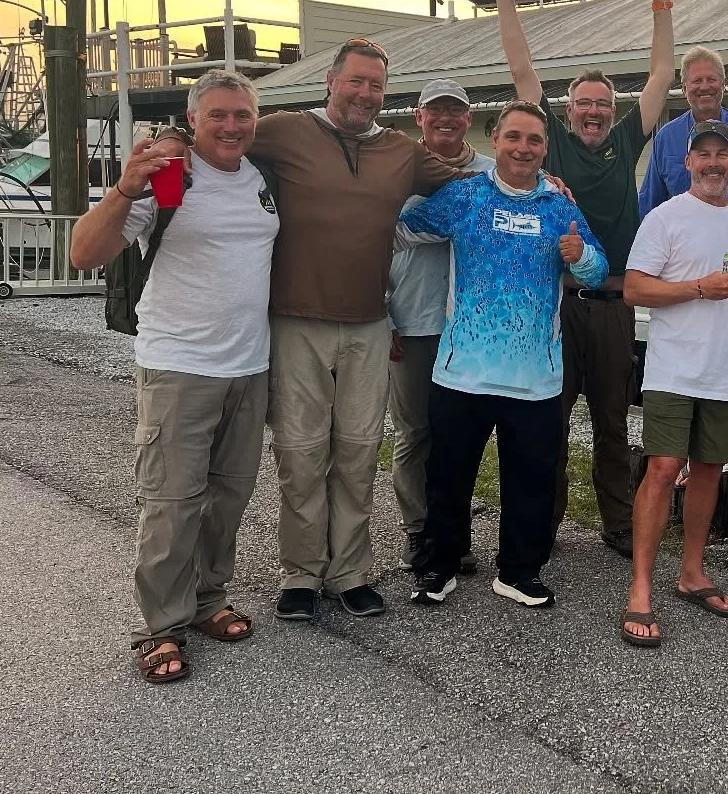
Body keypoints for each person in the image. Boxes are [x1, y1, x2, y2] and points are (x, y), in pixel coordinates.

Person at [248, 38, 469, 622]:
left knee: (357, 452)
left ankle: (349, 571)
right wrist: (168, 142)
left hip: (371, 324)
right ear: (331, 81)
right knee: (299, 452)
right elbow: (220, 133)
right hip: (296, 322)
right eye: (357, 82)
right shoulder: (285, 131)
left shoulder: (400, 151)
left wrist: (545, 190)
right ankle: (300, 571)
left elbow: (469, 185)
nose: (367, 94)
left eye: (376, 85)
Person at [70, 70, 279, 684]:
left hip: (250, 363)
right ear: (193, 119)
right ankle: (159, 625)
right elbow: (84, 253)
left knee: (229, 495)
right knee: (172, 501)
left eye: (242, 115)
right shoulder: (166, 175)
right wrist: (121, 191)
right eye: (218, 115)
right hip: (179, 365)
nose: (232, 126)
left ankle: (208, 600)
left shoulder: (260, 179)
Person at [482, 0, 675, 559]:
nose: (593, 112)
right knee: (551, 421)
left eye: (602, 104)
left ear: (612, 111)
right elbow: (520, 72)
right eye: (583, 104)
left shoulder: (626, 138)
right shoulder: (554, 145)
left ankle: (619, 524)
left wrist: (661, 4)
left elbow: (662, 77)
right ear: (568, 111)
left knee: (617, 424)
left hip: (615, 305)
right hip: (557, 307)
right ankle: (549, 521)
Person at [400, 100, 609, 608]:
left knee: (532, 480)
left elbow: (598, 270)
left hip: (536, 375)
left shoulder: (560, 206)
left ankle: (519, 570)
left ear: (545, 148)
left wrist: (580, 259)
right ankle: (440, 566)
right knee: (448, 477)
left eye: (534, 140)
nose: (523, 148)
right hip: (462, 372)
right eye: (514, 137)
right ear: (495, 141)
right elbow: (404, 226)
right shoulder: (465, 195)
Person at [621, 120, 728, 647]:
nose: (713, 163)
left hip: (724, 373)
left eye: (722, 154)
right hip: (673, 370)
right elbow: (634, 289)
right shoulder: (664, 218)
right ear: (688, 163)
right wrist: (699, 287)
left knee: (708, 471)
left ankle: (693, 573)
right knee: (662, 470)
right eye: (703, 154)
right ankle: (640, 588)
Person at [386, 78, 496, 575]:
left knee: (459, 436)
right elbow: (374, 242)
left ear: (467, 118)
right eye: (436, 111)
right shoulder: (396, 169)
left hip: (472, 328)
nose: (446, 119)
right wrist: (381, 313)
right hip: (412, 321)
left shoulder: (490, 175)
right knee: (414, 432)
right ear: (419, 117)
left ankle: (451, 531)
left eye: (455, 110)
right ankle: (418, 530)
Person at [638, 45, 728, 215]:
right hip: (682, 239)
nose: (704, 87)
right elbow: (650, 204)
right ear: (684, 88)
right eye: (697, 81)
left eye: (711, 79)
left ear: (723, 85)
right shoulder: (666, 138)